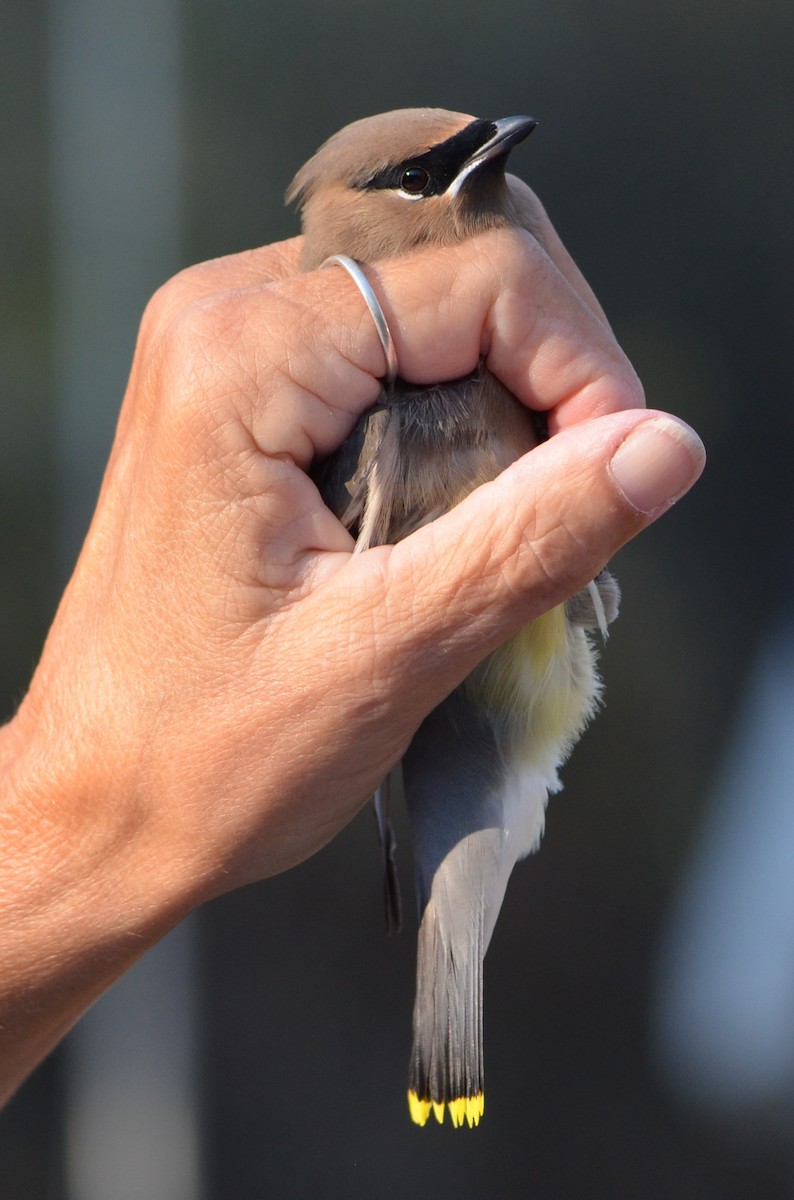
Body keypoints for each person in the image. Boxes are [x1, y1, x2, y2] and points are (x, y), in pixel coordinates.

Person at [0, 203, 705, 1107]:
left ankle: (447, 1056)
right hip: (484, 705)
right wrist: (99, 812)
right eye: (419, 184)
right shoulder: (368, 428)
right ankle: (446, 1059)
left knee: (460, 908)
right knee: (452, 913)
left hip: (520, 692)